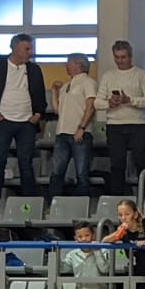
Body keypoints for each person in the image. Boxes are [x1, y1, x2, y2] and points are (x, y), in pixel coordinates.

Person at [95, 41, 145, 194]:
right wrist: (110, 103)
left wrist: (130, 101)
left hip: (137, 124)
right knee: (117, 164)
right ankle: (118, 199)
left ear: (130, 56)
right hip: (114, 125)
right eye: (117, 57)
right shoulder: (108, 76)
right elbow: (97, 102)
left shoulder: (140, 74)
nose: (120, 61)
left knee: (141, 161)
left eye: (123, 57)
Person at [0, 34, 46, 199]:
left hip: (26, 122)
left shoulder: (34, 69)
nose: (30, 52)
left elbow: (40, 94)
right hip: (3, 121)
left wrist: (38, 114)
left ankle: (29, 204)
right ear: (15, 48)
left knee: (26, 164)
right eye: (27, 48)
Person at [47, 53, 96, 201]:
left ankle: (82, 205)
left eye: (69, 62)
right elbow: (58, 110)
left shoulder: (88, 82)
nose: (66, 65)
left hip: (79, 133)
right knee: (57, 172)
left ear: (78, 65)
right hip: (62, 132)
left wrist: (81, 127)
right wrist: (54, 92)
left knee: (81, 172)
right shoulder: (67, 85)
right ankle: (53, 204)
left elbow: (91, 105)